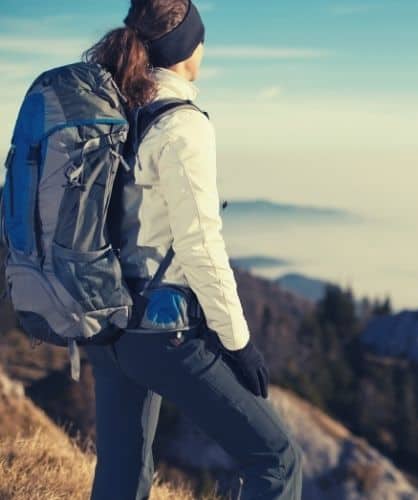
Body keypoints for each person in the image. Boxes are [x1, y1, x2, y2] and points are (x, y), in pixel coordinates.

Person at [80, 1, 303, 499]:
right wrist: (238, 343)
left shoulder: (114, 106)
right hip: (161, 333)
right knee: (277, 459)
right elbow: (201, 247)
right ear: (187, 49)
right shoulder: (183, 126)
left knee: (122, 472)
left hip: (106, 324)